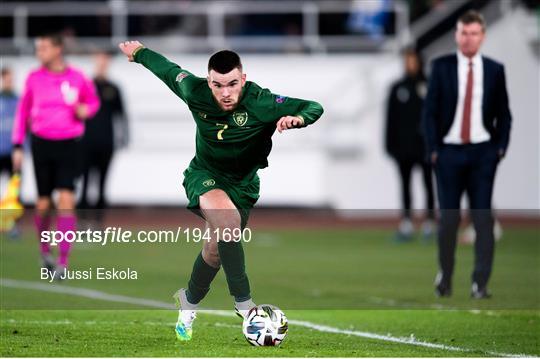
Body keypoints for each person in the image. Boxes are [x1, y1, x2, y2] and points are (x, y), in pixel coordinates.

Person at [118, 40, 323, 341]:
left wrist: (298, 119)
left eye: (232, 84)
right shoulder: (195, 92)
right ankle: (245, 306)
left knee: (214, 251)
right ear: (209, 81)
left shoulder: (261, 102)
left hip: (244, 185)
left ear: (243, 78)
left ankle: (187, 302)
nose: (225, 93)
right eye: (217, 85)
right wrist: (139, 53)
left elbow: (314, 106)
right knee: (229, 224)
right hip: (205, 175)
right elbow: (169, 71)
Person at [422, 11, 511, 299]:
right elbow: (430, 113)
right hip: (448, 153)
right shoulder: (441, 67)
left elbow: (504, 115)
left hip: (483, 153)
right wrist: (434, 150)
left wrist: (499, 149)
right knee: (448, 220)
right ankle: (445, 276)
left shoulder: (495, 70)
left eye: (473, 33)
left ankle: (480, 283)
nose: (468, 38)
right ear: (457, 35)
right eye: (463, 33)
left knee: (482, 219)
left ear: (482, 36)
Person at [11, 34, 100, 277]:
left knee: (66, 201)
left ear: (58, 49)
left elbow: (92, 103)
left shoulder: (77, 77)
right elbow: (22, 112)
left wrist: (84, 110)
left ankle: (63, 261)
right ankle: (44, 251)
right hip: (41, 143)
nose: (39, 52)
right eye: (38, 48)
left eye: (44, 48)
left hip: (69, 143)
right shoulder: (34, 78)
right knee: (42, 204)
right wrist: (18, 145)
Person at [385, 48, 435, 241]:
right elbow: (391, 120)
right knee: (405, 186)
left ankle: (429, 221)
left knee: (428, 184)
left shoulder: (429, 86)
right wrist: (390, 145)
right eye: (407, 61)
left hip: (425, 147)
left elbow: (437, 117)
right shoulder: (398, 88)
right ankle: (406, 222)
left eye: (413, 61)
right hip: (403, 148)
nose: (410, 64)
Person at [79, 50, 128, 226]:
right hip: (85, 143)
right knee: (84, 184)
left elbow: (121, 116)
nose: (101, 64)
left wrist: (124, 137)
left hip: (106, 143)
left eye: (104, 61)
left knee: (101, 184)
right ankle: (83, 222)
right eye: (98, 60)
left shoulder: (113, 88)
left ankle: (98, 223)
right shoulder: (85, 86)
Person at [0, 67, 22, 238]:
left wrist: (21, 148)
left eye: (11, 78)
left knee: (14, 190)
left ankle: (12, 224)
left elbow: (23, 126)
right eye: (6, 78)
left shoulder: (18, 100)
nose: (9, 81)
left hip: (13, 151)